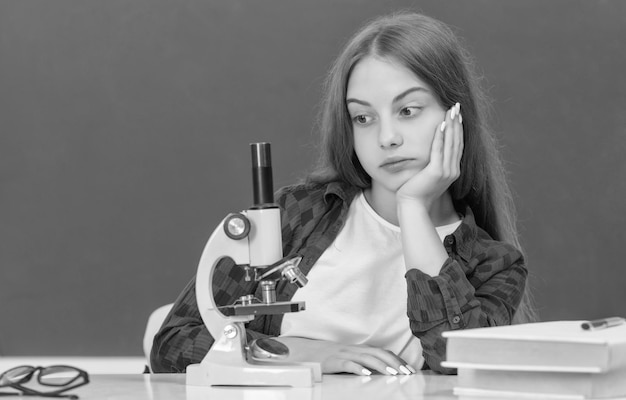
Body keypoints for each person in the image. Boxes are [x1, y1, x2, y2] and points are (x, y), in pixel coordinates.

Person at [151, 11, 533, 376]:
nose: (387, 138)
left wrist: (413, 207)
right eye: (363, 118)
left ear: (455, 117)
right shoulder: (297, 215)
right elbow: (172, 342)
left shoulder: (494, 265)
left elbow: (456, 360)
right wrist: (297, 352)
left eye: (408, 110)